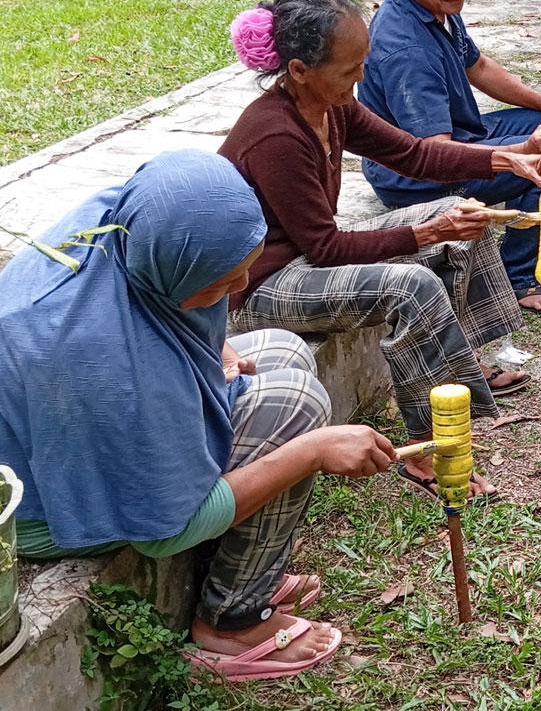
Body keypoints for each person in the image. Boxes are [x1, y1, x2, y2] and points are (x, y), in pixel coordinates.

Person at [0, 150, 398, 681]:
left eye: (242, 272)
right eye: (216, 285)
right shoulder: (103, 362)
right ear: (169, 263)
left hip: (69, 428)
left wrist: (210, 348)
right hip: (48, 510)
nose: (236, 293)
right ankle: (230, 623)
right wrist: (312, 453)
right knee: (297, 410)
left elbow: (156, 321)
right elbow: (163, 533)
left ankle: (234, 570)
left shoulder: (122, 223)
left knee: (285, 351)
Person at [220, 0, 541, 503]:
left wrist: (511, 154)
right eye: (349, 69)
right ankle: (428, 447)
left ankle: (459, 377)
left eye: (363, 61)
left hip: (309, 257)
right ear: (299, 71)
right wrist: (426, 234)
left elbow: (414, 155)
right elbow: (326, 248)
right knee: (410, 285)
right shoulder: (276, 135)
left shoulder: (332, 105)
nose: (362, 76)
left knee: (463, 213)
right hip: (265, 285)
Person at [358, 0, 541, 312]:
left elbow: (477, 66)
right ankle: (522, 277)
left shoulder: (436, 9)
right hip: (412, 174)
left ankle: (540, 243)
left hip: (458, 137)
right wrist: (521, 155)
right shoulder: (403, 48)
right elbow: (435, 153)